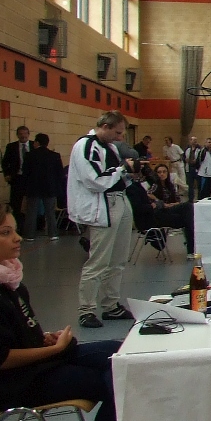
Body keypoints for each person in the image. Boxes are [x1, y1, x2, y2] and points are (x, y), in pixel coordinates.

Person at [0, 203, 120, 421]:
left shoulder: (8, 279)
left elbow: (19, 332)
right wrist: (54, 351)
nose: (17, 238)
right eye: (5, 233)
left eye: (15, 231)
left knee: (119, 355)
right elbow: (0, 359)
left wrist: (44, 340)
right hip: (13, 383)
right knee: (118, 379)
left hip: (36, 364)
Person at [68, 112, 135, 329]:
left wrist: (130, 173)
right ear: (105, 126)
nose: (119, 137)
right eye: (117, 132)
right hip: (104, 205)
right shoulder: (86, 145)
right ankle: (86, 309)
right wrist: (122, 168)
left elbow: (115, 176)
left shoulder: (110, 146)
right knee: (98, 262)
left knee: (118, 260)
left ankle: (111, 304)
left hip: (120, 199)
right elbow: (95, 180)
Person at [21, 134, 63, 240]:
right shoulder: (55, 155)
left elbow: (25, 173)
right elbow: (60, 173)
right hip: (50, 188)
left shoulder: (29, 155)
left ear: (37, 142)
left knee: (31, 212)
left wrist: (24, 189)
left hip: (33, 188)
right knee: (50, 212)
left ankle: (30, 235)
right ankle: (53, 234)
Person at [0, 125, 28, 234]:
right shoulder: (11, 147)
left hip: (30, 180)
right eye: (20, 134)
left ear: (28, 134)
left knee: (29, 203)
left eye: (25, 133)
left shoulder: (33, 145)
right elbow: (5, 162)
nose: (23, 136)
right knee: (16, 203)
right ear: (17, 135)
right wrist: (7, 174)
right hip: (17, 178)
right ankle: (17, 226)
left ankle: (29, 226)